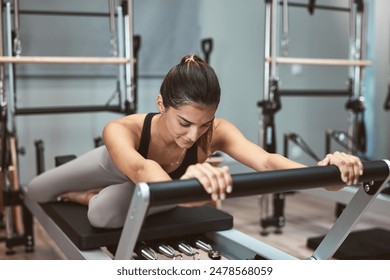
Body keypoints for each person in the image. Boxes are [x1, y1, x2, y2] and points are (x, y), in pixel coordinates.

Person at [26, 54, 363, 229]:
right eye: (184, 122)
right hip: (118, 168)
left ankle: (89, 199)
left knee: (102, 213)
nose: (193, 135)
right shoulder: (120, 129)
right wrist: (188, 191)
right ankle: (86, 192)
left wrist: (326, 175)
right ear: (161, 104)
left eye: (205, 125)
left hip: (157, 188)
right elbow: (142, 168)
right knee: (37, 191)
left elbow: (266, 161)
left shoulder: (217, 131)